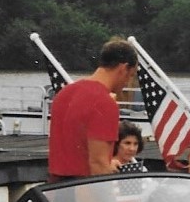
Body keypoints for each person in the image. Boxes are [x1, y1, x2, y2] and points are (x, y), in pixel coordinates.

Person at [47, 38, 140, 178]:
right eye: (130, 76)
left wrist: (109, 164)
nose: (127, 83)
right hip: (84, 193)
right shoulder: (104, 102)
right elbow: (98, 164)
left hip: (56, 190)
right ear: (123, 68)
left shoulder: (64, 93)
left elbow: (75, 150)